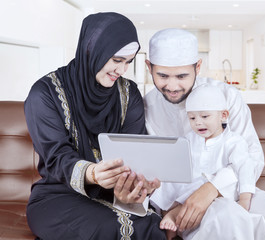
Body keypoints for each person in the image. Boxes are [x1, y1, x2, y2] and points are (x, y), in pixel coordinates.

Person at [144, 28, 265, 239]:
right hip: (178, 198)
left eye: (182, 76)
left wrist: (212, 189)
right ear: (149, 67)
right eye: (162, 75)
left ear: (198, 66)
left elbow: (252, 157)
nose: (172, 86)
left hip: (233, 189)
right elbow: (154, 168)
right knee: (226, 218)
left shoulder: (228, 96)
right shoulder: (145, 107)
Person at [24, 12, 166, 240]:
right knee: (107, 227)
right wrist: (92, 173)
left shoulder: (129, 94)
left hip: (113, 197)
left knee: (153, 227)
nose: (122, 71)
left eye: (128, 62)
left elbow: (133, 153)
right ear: (92, 49)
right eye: (117, 60)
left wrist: (137, 185)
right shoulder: (45, 93)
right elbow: (56, 156)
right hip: (58, 196)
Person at [151, 85, 261, 240]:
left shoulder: (234, 141)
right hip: (191, 188)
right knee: (171, 178)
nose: (198, 123)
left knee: (200, 187)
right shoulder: (189, 139)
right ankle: (168, 218)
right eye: (192, 118)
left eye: (204, 117)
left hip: (221, 192)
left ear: (223, 115)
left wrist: (244, 199)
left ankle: (173, 216)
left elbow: (245, 168)